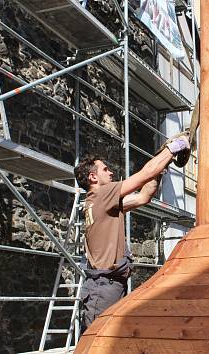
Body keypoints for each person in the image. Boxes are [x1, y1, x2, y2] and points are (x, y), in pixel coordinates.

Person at [73, 135, 190, 329]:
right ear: (93, 177)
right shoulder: (101, 194)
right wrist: (173, 148)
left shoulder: (98, 202)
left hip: (108, 286)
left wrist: (159, 170)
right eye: (105, 169)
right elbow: (143, 175)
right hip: (103, 288)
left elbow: (143, 197)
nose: (110, 173)